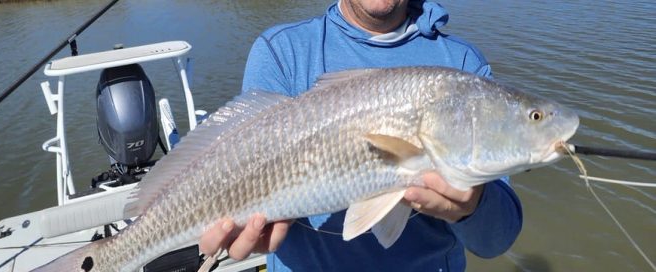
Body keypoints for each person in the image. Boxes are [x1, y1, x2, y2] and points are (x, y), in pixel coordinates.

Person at [200, 0, 522, 271]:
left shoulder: (463, 67)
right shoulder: (282, 52)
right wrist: (241, 228)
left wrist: (474, 205)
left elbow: (497, 240)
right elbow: (242, 168)